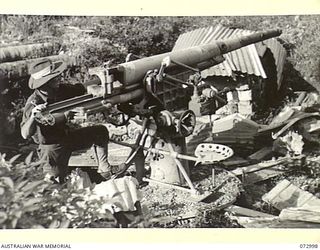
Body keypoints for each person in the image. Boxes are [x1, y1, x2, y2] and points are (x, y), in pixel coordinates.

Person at [21, 59, 113, 183]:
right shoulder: (34, 102)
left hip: (68, 137)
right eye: (55, 77)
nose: (60, 78)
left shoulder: (61, 89)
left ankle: (105, 171)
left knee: (100, 131)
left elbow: (80, 88)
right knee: (55, 182)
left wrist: (101, 79)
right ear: (45, 83)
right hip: (51, 147)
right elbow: (25, 134)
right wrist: (33, 116)